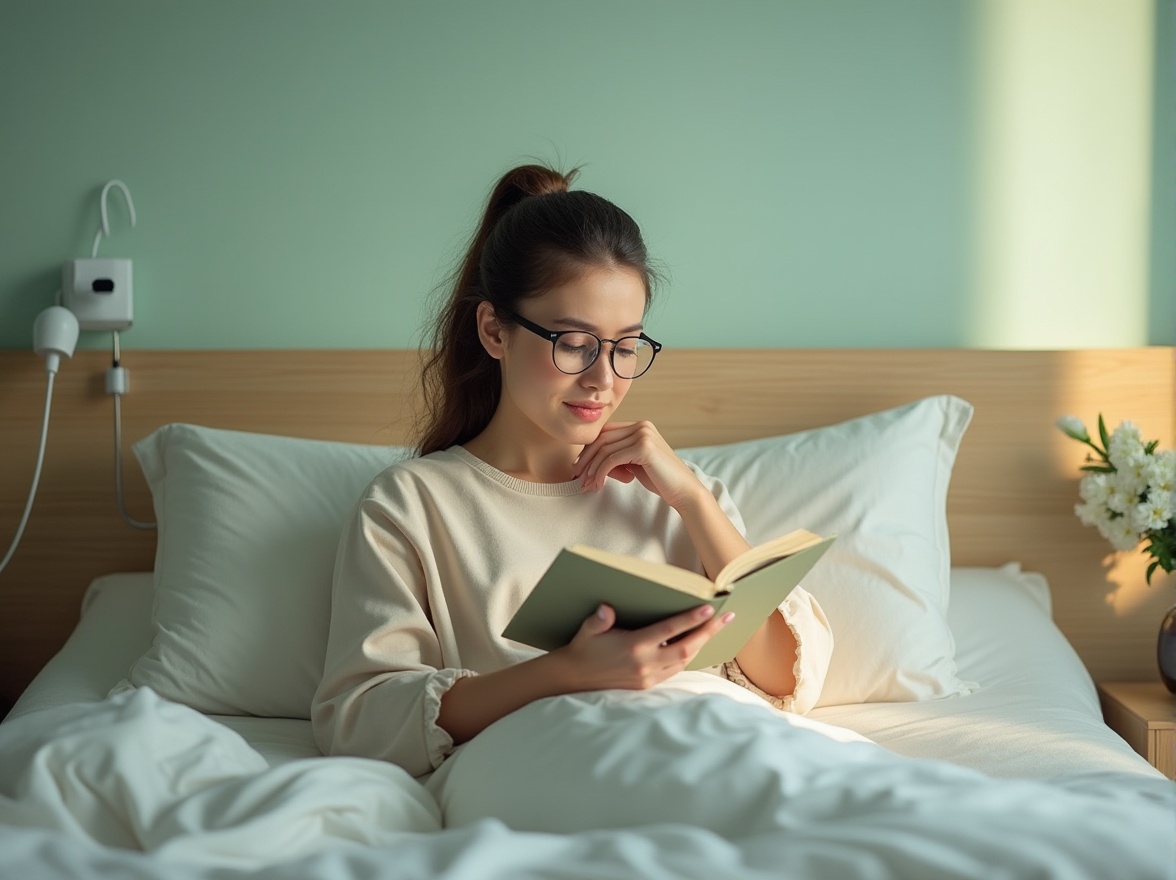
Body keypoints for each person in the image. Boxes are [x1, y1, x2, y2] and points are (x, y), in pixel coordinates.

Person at [311, 164, 833, 778]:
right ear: (493, 331)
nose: (604, 379)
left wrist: (693, 499)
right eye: (574, 343)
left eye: (626, 345)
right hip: (554, 769)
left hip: (713, 756)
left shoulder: (680, 499)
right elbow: (362, 715)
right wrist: (567, 673)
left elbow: (782, 677)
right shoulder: (413, 505)